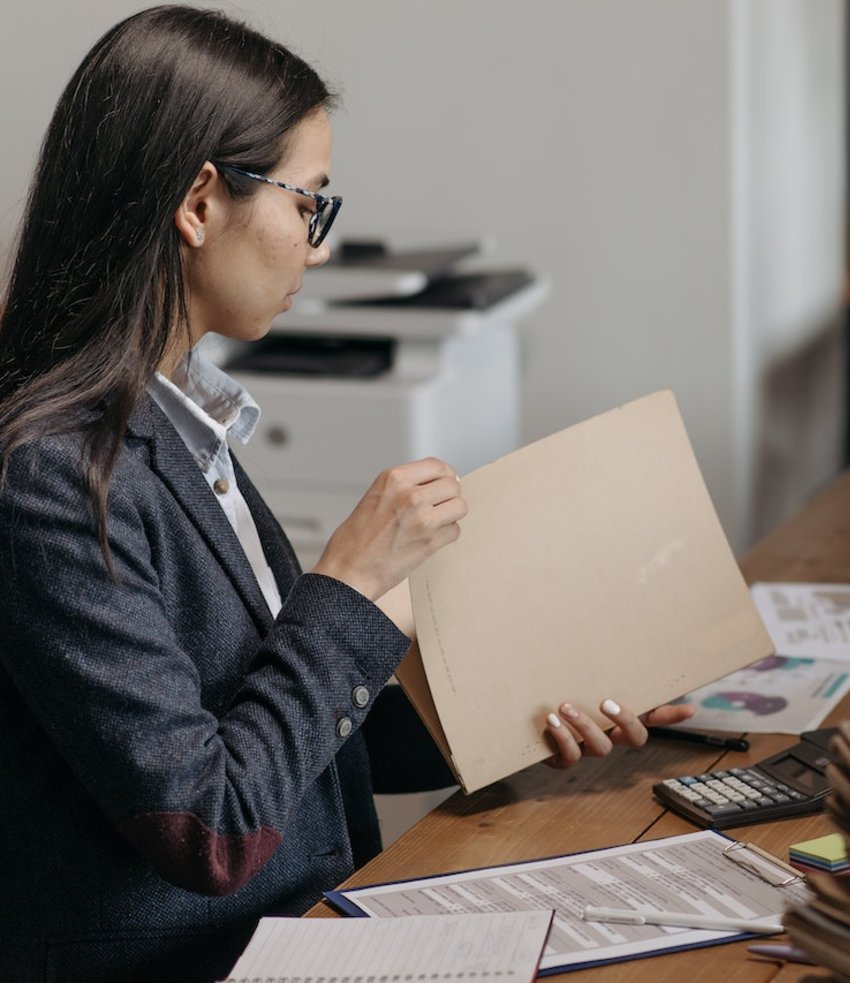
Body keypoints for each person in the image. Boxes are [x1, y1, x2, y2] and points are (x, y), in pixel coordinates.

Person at [0, 7, 693, 982]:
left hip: (314, 924)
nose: (317, 248)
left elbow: (275, 731)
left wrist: (517, 714)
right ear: (200, 203)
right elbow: (210, 823)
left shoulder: (178, 420)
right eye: (308, 204)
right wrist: (350, 581)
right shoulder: (51, 477)